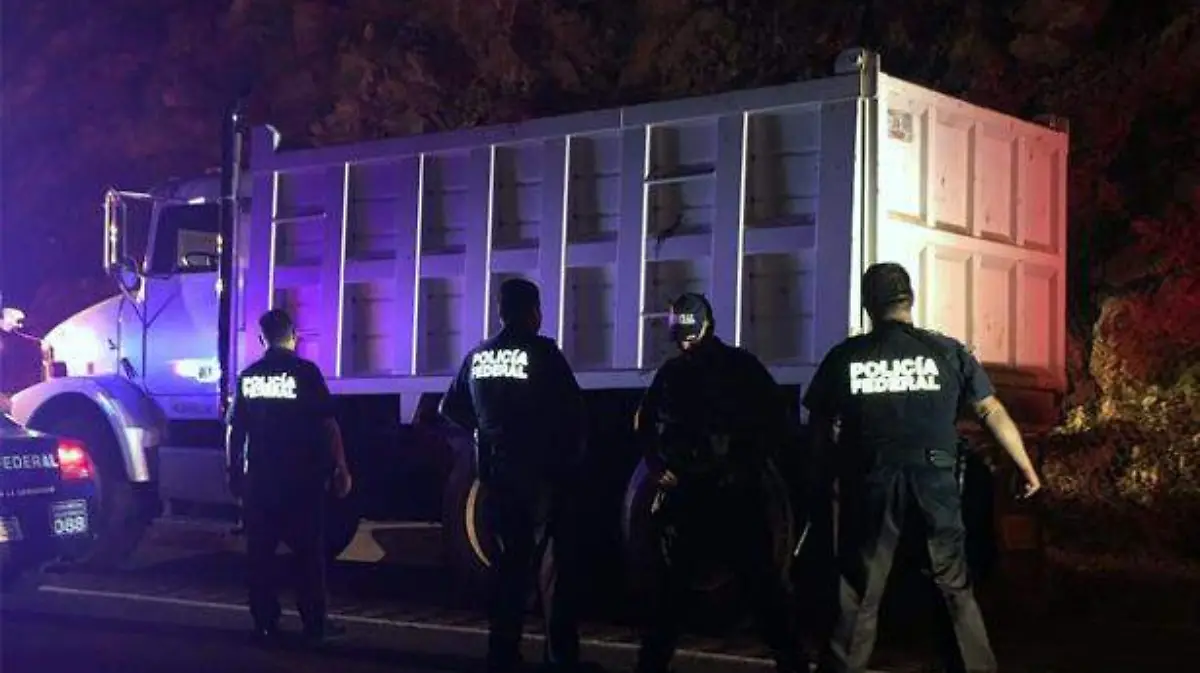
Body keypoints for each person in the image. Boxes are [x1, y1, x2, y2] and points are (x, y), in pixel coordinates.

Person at [803, 262, 1042, 673]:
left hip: (873, 484)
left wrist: (822, 481)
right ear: (909, 301)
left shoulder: (845, 357)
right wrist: (1025, 468)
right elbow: (991, 411)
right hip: (935, 485)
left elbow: (819, 431)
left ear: (868, 306)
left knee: (860, 593)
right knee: (952, 587)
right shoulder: (947, 351)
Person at [632, 292, 807, 673]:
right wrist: (659, 464)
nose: (685, 342)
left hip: (723, 495)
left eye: (689, 335)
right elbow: (646, 422)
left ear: (706, 326)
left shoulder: (717, 369)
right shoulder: (691, 370)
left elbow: (776, 421)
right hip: (711, 496)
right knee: (746, 591)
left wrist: (659, 463)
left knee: (747, 590)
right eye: (681, 336)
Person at [439, 278, 586, 673]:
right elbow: (573, 412)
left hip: (496, 479)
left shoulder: (478, 357)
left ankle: (502, 653)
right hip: (540, 478)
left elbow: (449, 409)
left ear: (501, 312)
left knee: (510, 572)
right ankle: (559, 657)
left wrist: (483, 434)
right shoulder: (543, 354)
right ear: (533, 312)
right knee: (554, 571)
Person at [225, 309, 353, 646]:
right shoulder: (306, 373)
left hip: (261, 483)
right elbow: (328, 424)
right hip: (301, 481)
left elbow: (235, 431)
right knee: (308, 555)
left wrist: (233, 473)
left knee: (260, 555)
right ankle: (314, 624)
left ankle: (264, 623)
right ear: (293, 335)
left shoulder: (248, 376)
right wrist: (341, 467)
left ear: (261, 338)